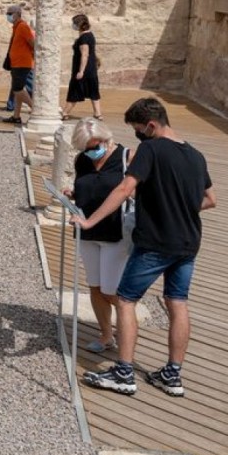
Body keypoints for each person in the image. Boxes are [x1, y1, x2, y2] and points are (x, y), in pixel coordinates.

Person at [79, 97, 216, 398]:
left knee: (126, 300)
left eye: (139, 129)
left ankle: (124, 372)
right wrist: (179, 209)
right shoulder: (195, 155)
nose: (137, 135)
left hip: (155, 242)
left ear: (151, 125)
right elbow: (210, 199)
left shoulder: (150, 149)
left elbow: (125, 188)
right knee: (176, 302)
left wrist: (90, 221)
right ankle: (172, 374)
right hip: (189, 241)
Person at [66, 118, 131, 354]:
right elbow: (88, 187)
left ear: (106, 139)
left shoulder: (126, 157)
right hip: (86, 231)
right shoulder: (82, 160)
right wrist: (72, 195)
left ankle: (127, 333)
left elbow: (130, 191)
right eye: (86, 148)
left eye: (95, 146)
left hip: (115, 231)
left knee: (111, 291)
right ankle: (106, 335)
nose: (91, 152)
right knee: (95, 286)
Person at [62, 13, 103, 120]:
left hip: (84, 69)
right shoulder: (90, 35)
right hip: (91, 69)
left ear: (79, 24)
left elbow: (85, 54)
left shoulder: (84, 37)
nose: (73, 25)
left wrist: (81, 71)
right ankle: (98, 114)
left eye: (74, 23)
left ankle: (65, 113)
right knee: (93, 90)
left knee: (75, 90)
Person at [2, 4, 35, 125]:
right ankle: (16, 116)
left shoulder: (22, 26)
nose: (8, 16)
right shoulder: (16, 27)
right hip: (16, 64)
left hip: (22, 64)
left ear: (17, 14)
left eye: (10, 14)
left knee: (18, 90)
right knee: (17, 91)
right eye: (8, 13)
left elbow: (32, 42)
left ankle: (34, 108)